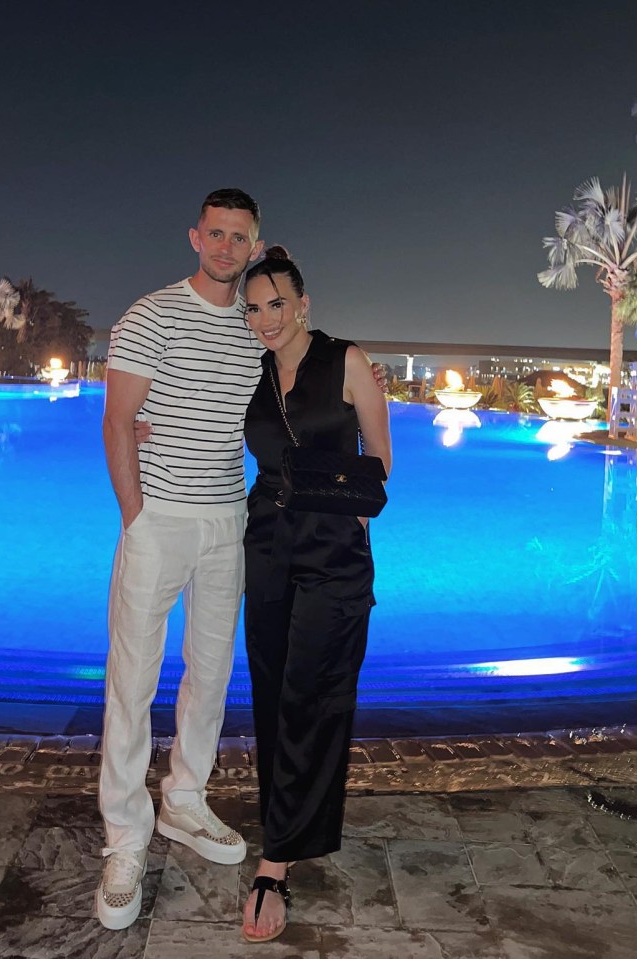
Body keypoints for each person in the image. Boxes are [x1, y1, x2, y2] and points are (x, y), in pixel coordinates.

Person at [97, 188, 265, 930]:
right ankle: (125, 833)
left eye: (241, 237)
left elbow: (302, 379)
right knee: (132, 677)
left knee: (211, 669)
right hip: (160, 518)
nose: (227, 247)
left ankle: (185, 802)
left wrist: (368, 386)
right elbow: (118, 420)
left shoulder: (258, 326)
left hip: (228, 517)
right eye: (217, 233)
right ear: (195, 236)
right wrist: (137, 518)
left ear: (255, 246)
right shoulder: (151, 314)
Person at [239, 247, 392, 943]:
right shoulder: (256, 372)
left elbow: (379, 462)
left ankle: (274, 864)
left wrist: (341, 525)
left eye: (276, 303)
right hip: (266, 549)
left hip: (331, 560)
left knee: (311, 697)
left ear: (303, 304)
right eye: (254, 307)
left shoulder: (348, 361)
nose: (265, 318)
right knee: (273, 697)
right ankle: (287, 828)